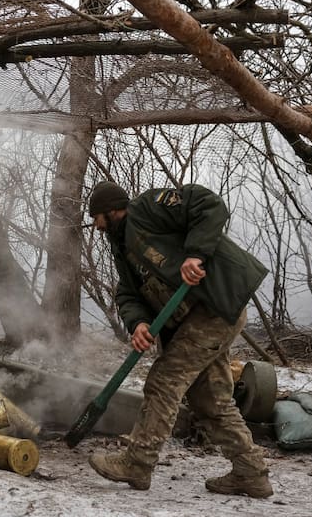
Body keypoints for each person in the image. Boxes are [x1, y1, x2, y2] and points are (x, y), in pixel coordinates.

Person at [86, 181, 273, 498]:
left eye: (97, 217)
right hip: (193, 319)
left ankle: (138, 461)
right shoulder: (122, 248)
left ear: (111, 208)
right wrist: (140, 323)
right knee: (208, 398)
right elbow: (128, 293)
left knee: (165, 378)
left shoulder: (147, 207)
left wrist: (195, 254)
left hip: (214, 304)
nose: (96, 225)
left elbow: (208, 203)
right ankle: (250, 472)